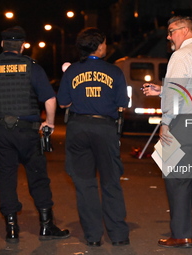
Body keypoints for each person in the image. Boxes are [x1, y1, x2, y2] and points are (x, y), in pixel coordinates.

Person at [0, 26, 70, 243]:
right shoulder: (32, 68)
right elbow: (50, 99)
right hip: (28, 132)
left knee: (5, 178)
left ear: (2, 45)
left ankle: (12, 229)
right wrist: (50, 123)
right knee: (38, 177)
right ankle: (46, 226)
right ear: (23, 45)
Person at [143, 16, 192, 248]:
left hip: (186, 123)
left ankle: (181, 234)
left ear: (185, 30)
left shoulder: (180, 55)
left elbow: (178, 92)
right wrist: (162, 90)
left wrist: (165, 122)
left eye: (171, 31)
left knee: (177, 178)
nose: (168, 37)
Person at [57, 27, 130, 247]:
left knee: (85, 184)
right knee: (110, 183)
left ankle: (93, 236)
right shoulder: (114, 71)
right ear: (99, 46)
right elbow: (122, 104)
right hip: (104, 128)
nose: (106, 46)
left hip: (78, 127)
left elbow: (63, 102)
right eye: (105, 43)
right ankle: (118, 236)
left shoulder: (72, 71)